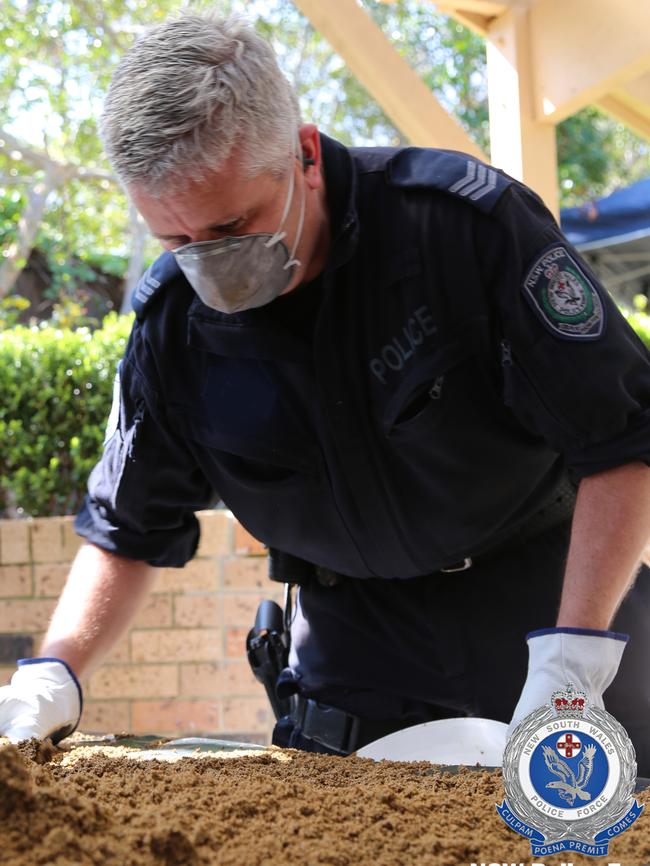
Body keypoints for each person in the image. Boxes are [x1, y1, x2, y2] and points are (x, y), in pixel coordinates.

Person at [2, 11, 650, 771]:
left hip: (554, 609)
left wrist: (572, 661)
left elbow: (624, 436)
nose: (208, 262)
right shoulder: (172, 331)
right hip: (355, 661)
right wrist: (56, 670)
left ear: (305, 153)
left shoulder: (463, 231)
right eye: (177, 242)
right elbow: (127, 525)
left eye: (232, 224)